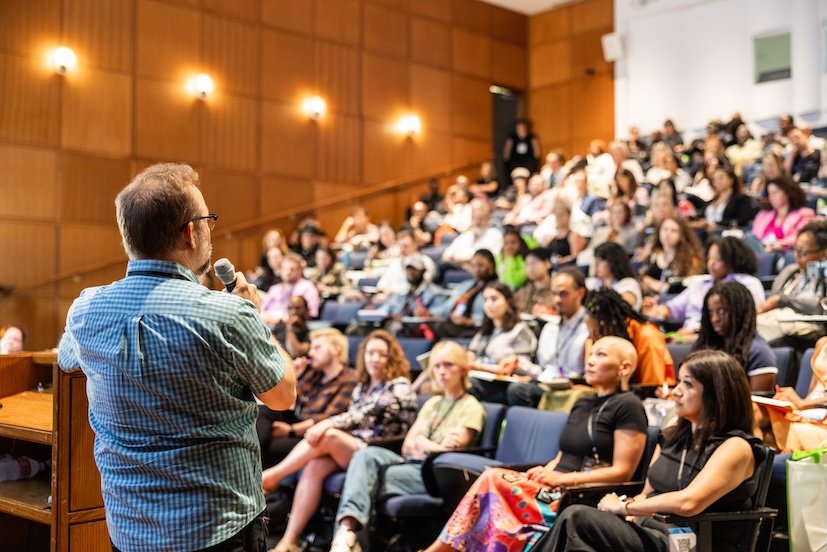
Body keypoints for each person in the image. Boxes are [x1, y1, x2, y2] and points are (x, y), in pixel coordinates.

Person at [56, 163, 297, 552]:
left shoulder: (86, 310)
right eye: (207, 220)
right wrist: (256, 317)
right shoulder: (228, 314)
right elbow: (283, 396)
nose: (210, 229)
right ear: (190, 232)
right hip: (219, 532)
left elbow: (67, 359)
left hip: (129, 530)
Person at [423, 337, 648, 552]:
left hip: (578, 495)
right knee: (493, 484)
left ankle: (437, 550)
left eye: (601, 354)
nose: (590, 360)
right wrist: (546, 470)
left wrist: (562, 479)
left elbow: (623, 472)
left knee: (493, 481)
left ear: (624, 367)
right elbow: (563, 455)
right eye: (591, 354)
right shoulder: (583, 402)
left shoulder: (628, 405)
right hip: (553, 487)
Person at [543, 350, 764, 552]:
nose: (676, 392)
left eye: (687, 385)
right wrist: (628, 512)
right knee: (578, 535)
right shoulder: (671, 436)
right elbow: (647, 493)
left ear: (717, 394)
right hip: (652, 531)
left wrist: (624, 507)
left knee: (576, 518)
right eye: (679, 382)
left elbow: (689, 503)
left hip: (694, 543)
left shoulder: (736, 446)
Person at [262, 330, 417, 552]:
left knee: (329, 434)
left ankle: (271, 476)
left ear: (391, 358)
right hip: (353, 448)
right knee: (314, 466)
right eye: (370, 353)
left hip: (380, 452)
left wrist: (328, 423)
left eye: (382, 354)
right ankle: (290, 541)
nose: (375, 358)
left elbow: (367, 415)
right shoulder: (362, 387)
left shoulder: (399, 385)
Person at [328, 341, 487, 552]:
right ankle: (347, 535)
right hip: (409, 463)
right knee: (365, 455)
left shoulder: (472, 407)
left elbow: (447, 455)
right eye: (437, 366)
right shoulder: (433, 403)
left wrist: (421, 442)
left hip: (432, 475)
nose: (441, 372)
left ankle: (347, 538)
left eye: (448, 365)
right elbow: (407, 446)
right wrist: (427, 445)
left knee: (361, 481)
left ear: (463, 370)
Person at [257, 328, 358, 469]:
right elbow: (288, 399)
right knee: (264, 410)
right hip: (298, 421)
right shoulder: (314, 374)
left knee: (270, 446)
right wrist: (294, 376)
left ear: (336, 350)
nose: (311, 353)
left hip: (314, 434)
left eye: (317, 348)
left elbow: (329, 418)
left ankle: (246, 467)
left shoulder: (350, 379)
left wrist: (290, 430)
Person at [642, 236, 764, 336]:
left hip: (719, 338)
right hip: (687, 337)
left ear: (732, 261)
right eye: (709, 258)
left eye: (718, 259)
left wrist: (695, 332)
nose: (711, 263)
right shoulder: (699, 285)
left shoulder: (748, 284)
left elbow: (744, 319)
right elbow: (673, 308)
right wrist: (656, 310)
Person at [506, 268, 591, 408]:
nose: (557, 300)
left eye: (563, 294)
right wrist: (518, 363)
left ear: (580, 293)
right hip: (547, 383)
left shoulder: (588, 327)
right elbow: (544, 369)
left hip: (575, 387)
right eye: (554, 294)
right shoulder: (550, 327)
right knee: (515, 386)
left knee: (518, 391)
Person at [693, 282, 777, 392]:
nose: (715, 319)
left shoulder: (759, 354)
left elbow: (758, 406)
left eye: (722, 311)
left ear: (740, 311)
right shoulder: (707, 345)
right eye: (711, 313)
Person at [584, 288, 675, 388]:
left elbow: (651, 388)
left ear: (612, 325)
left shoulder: (647, 337)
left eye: (598, 332)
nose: (594, 339)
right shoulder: (593, 341)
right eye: (590, 332)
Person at [756, 220, 827, 346]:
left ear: (823, 253)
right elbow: (775, 295)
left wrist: (783, 300)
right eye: (796, 250)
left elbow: (819, 307)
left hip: (806, 328)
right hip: (780, 320)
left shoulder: (823, 277)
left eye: (803, 253)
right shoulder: (791, 272)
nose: (797, 256)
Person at [467, 282, 539, 404]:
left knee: (471, 384)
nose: (489, 304)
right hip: (484, 378)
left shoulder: (520, 330)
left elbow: (519, 365)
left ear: (508, 302)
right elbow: (472, 353)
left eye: (494, 299)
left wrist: (478, 366)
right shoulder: (485, 331)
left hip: (506, 383)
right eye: (485, 300)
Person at [753, 336, 827, 452]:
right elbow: (813, 393)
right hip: (809, 413)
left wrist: (802, 404)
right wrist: (793, 403)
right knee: (753, 410)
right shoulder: (822, 343)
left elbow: (804, 403)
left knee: (763, 436)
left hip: (823, 427)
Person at [428, 249, 498, 339]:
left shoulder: (496, 288)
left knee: (439, 328)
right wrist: (430, 313)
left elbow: (495, 315)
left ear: (491, 265)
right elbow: (447, 306)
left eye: (481, 265)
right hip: (456, 323)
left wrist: (470, 322)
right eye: (473, 265)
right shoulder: (467, 285)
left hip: (477, 329)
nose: (476, 269)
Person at [639, 216, 704, 296]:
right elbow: (642, 275)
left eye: (673, 230)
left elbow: (688, 284)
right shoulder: (655, 253)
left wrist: (658, 286)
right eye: (665, 229)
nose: (668, 233)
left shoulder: (690, 257)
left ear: (681, 235)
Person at [750, 176, 814, 253]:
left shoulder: (804, 214)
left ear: (787, 192)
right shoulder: (763, 214)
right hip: (760, 250)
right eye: (769, 194)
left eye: (775, 193)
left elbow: (798, 237)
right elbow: (754, 237)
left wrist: (777, 245)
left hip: (782, 252)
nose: (771, 197)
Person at [261, 253, 321, 324]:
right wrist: (265, 317)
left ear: (300, 271)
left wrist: (281, 320)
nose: (288, 272)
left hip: (293, 327)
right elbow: (261, 309)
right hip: (268, 325)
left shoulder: (308, 287)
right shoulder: (274, 289)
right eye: (284, 269)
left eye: (292, 269)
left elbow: (311, 314)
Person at [441, 199, 504, 266]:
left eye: (481, 218)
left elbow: (493, 257)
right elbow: (447, 253)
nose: (477, 222)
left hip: (476, 270)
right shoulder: (466, 235)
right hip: (456, 267)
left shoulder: (495, 235)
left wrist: (467, 260)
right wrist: (450, 258)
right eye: (475, 218)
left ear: (488, 219)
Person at [593, 242, 643, 311]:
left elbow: (623, 305)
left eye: (601, 260)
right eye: (595, 260)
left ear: (613, 262)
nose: (596, 264)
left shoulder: (629, 283)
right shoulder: (593, 283)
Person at [513, 247, 556, 316]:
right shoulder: (522, 291)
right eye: (527, 265)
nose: (530, 268)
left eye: (534, 263)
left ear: (547, 263)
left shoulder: (556, 290)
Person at [496, 225, 530, 290]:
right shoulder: (499, 258)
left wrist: (509, 259)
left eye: (513, 242)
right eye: (506, 243)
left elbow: (513, 282)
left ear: (520, 244)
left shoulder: (524, 260)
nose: (509, 246)